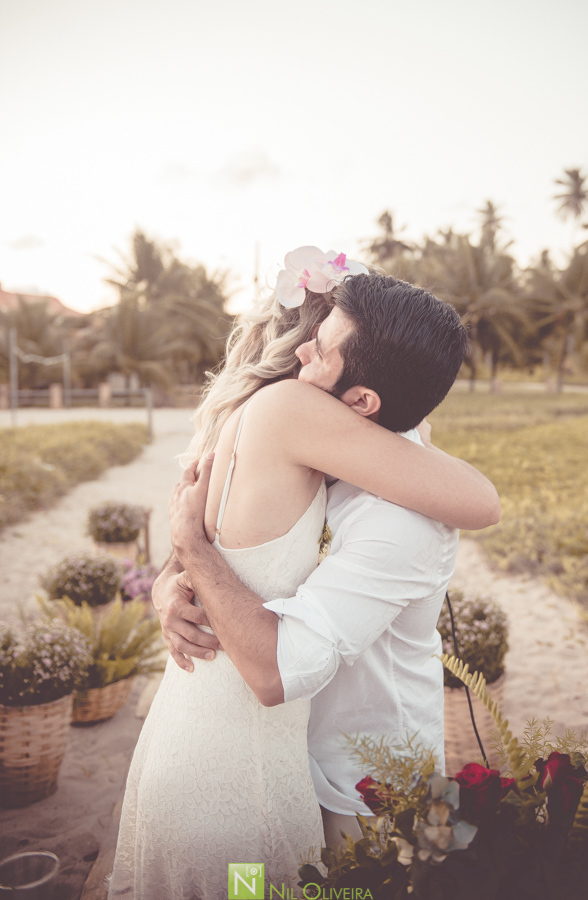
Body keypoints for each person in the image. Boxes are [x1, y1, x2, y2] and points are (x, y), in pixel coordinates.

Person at [109, 248, 499, 900]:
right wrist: (177, 582)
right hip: (286, 768)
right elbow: (231, 541)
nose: (299, 360)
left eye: (320, 351)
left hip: (368, 797)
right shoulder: (320, 450)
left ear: (363, 400)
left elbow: (277, 667)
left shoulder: (401, 517)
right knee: (250, 890)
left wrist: (195, 554)